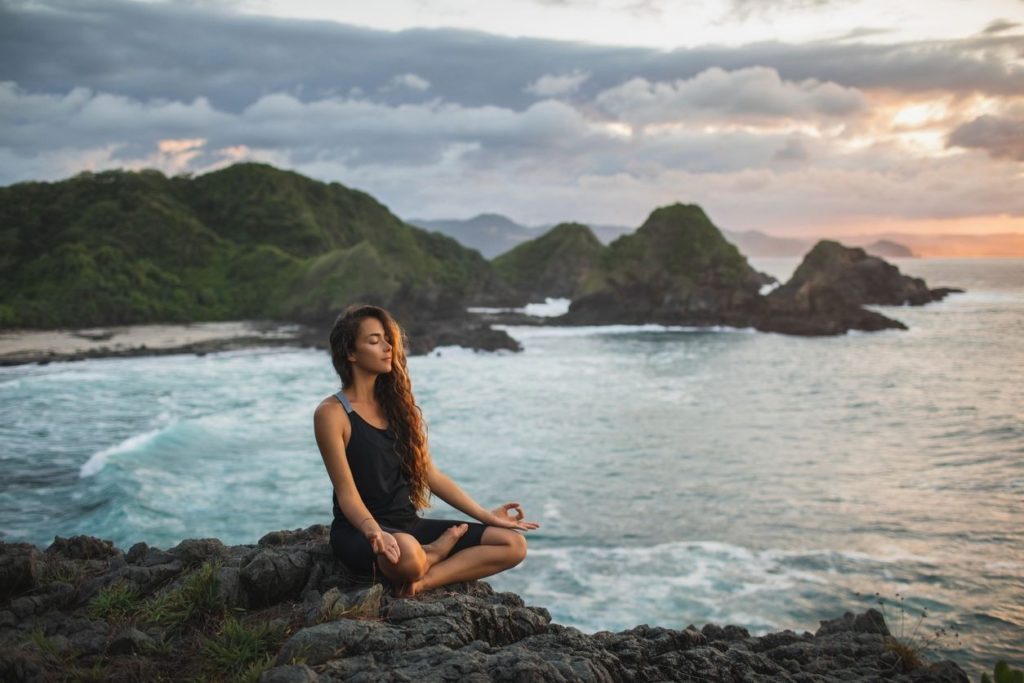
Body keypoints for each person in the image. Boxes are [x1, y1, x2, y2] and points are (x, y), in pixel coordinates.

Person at [314, 303, 540, 597]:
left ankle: (422, 581)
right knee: (407, 553)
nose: (387, 347)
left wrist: (486, 516)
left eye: (387, 339)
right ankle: (432, 552)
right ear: (351, 353)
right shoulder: (332, 414)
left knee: (512, 545)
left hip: (408, 525)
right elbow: (347, 494)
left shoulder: (399, 409)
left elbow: (430, 474)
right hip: (359, 532)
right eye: (374, 341)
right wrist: (375, 531)